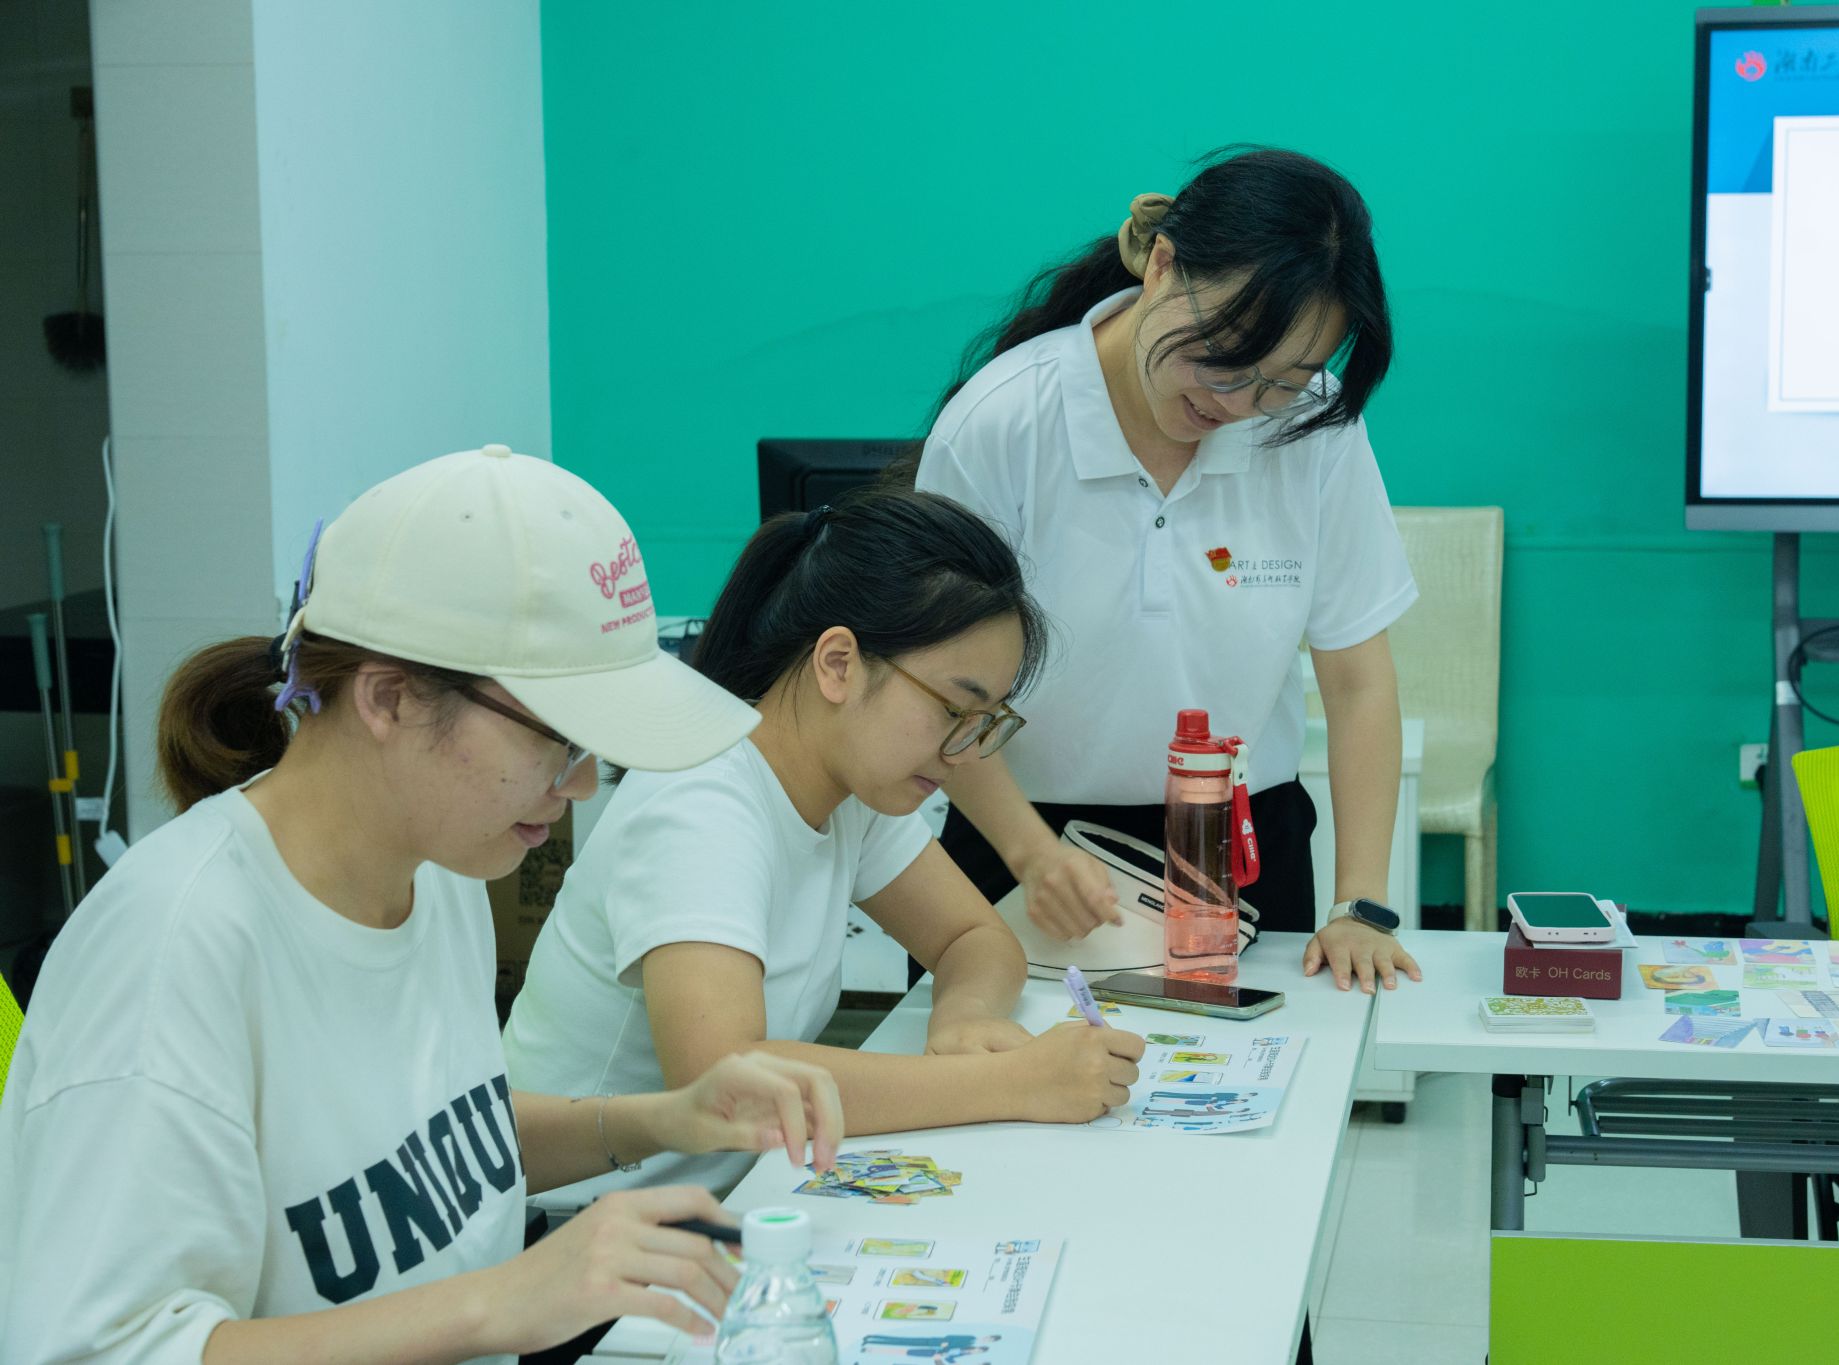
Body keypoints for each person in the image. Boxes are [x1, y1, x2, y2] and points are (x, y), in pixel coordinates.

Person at [0, 446, 843, 1365]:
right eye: (562, 739)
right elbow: (104, 1350)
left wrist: (664, 1118)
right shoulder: (171, 951)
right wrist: (500, 1303)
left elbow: (431, 1154)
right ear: (389, 698)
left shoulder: (436, 871)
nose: (582, 784)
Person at [502, 489, 1144, 1205]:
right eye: (953, 710)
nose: (966, 752)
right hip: (584, 1223)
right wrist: (1009, 1082)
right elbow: (729, 1081)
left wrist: (965, 1017)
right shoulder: (701, 800)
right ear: (837, 663)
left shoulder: (849, 784)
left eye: (986, 722)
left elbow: (976, 939)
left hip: (737, 1196)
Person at [912, 147, 1425, 992]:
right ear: (1160, 266)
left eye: (1281, 380)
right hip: (1023, 845)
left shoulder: (1312, 428)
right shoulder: (1004, 422)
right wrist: (1032, 855)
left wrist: (1361, 903)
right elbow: (935, 687)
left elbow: (1359, 678)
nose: (1236, 403)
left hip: (1244, 849)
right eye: (1221, 354)